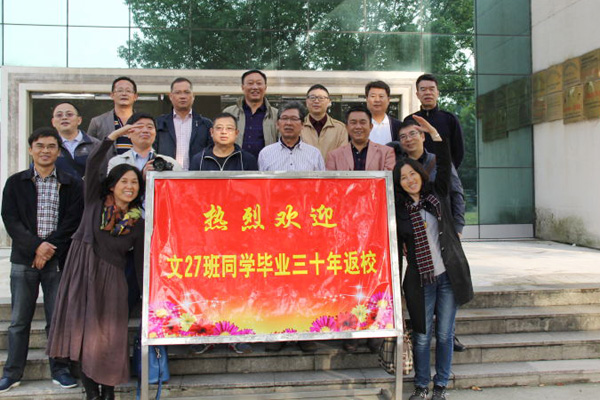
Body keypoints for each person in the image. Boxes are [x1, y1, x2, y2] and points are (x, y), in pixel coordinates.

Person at [46, 124, 146, 400]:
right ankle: (91, 392)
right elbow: (93, 164)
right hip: (82, 272)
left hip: (113, 279)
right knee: (85, 334)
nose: (129, 186)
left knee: (111, 338)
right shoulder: (94, 201)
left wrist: (145, 296)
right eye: (124, 181)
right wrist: (113, 137)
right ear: (112, 185)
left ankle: (109, 391)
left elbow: (140, 262)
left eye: (134, 183)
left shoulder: (138, 222)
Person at [393, 115, 473, 400]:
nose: (410, 180)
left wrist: (435, 135)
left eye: (413, 174)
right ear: (399, 183)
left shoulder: (437, 195)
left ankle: (440, 387)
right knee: (422, 335)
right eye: (403, 177)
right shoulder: (399, 211)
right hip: (420, 280)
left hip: (448, 276)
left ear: (421, 174)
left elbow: (444, 160)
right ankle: (421, 386)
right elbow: (396, 246)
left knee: (445, 334)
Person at [0, 128, 83, 394]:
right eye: (40, 146)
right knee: (18, 321)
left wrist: (49, 249)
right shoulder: (16, 182)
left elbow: (73, 221)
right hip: (23, 261)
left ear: (59, 152)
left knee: (57, 319)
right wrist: (37, 246)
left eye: (51, 146)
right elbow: (10, 219)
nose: (45, 151)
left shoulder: (72, 183)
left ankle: (60, 369)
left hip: (57, 261)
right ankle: (12, 372)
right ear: (30, 150)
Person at [404, 74, 465, 170]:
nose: (428, 93)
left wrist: (447, 171)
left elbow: (458, 152)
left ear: (437, 93)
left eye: (431, 89)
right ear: (417, 94)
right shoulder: (410, 120)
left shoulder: (450, 119)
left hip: (443, 173)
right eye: (423, 89)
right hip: (416, 174)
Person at [154, 77, 213, 170]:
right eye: (178, 92)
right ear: (170, 96)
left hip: (196, 175)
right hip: (166, 175)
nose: (182, 96)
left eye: (187, 92)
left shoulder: (205, 124)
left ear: (193, 96)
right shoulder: (159, 123)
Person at [222, 69, 278, 159]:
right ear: (243, 87)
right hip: (236, 164)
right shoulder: (229, 112)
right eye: (250, 83)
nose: (255, 87)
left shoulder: (276, 115)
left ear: (265, 87)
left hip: (266, 164)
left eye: (259, 83)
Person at [258, 101, 324, 172]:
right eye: (284, 118)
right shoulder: (266, 153)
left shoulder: (314, 154)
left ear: (302, 124)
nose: (288, 123)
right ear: (277, 124)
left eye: (294, 118)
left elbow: (321, 179)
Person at [108, 112, 182, 175]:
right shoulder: (116, 162)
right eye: (139, 127)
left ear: (155, 133)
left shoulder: (171, 163)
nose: (145, 131)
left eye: (149, 127)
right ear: (129, 133)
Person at [326, 105, 395, 171]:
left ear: (371, 126)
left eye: (362, 122)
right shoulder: (334, 156)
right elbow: (330, 179)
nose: (358, 127)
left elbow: (388, 178)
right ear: (347, 127)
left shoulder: (386, 153)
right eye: (353, 123)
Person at [190, 112, 258, 172]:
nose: (224, 132)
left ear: (236, 133)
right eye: (219, 128)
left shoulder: (247, 160)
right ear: (212, 132)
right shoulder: (199, 160)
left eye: (229, 128)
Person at [88, 76, 138, 155]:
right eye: (120, 90)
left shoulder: (143, 122)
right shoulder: (97, 122)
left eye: (128, 91)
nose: (124, 94)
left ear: (135, 96)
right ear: (112, 95)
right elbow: (90, 151)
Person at [51, 102, 99, 180]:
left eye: (69, 114)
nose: (64, 118)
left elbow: (103, 172)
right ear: (53, 122)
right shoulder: (49, 147)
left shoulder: (95, 144)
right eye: (59, 115)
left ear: (79, 120)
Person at [300, 84, 348, 160]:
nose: (316, 101)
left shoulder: (340, 129)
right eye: (312, 97)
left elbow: (342, 158)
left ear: (329, 102)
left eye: (321, 98)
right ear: (306, 102)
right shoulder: (298, 126)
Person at [365, 80, 401, 145]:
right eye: (373, 96)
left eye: (381, 96)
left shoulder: (399, 126)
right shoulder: (358, 126)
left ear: (388, 100)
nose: (377, 100)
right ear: (367, 99)